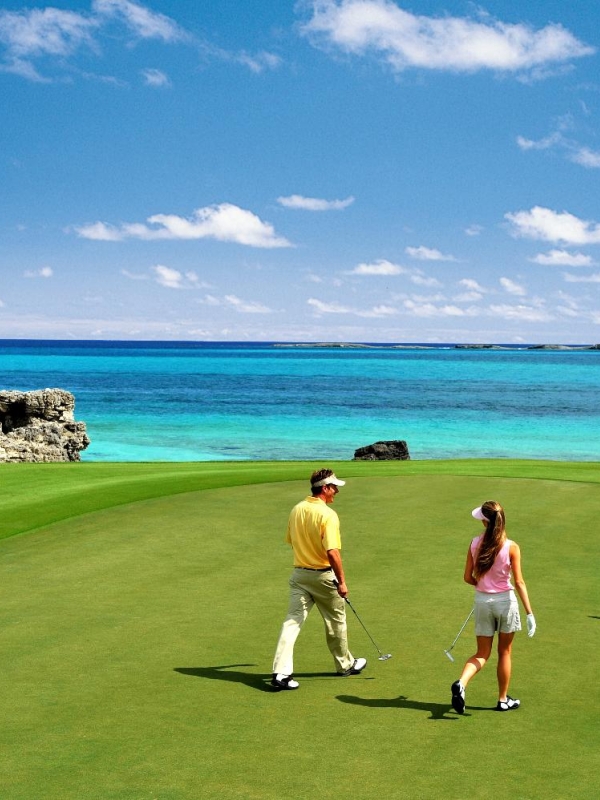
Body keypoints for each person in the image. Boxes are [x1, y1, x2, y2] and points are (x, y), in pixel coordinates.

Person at [271, 468, 366, 690]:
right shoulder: (328, 515)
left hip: (299, 575)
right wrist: (342, 581)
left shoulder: (296, 509)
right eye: (334, 488)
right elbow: (332, 551)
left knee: (291, 623)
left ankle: (280, 673)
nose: (336, 492)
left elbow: (291, 540)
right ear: (325, 488)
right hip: (323, 576)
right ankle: (345, 665)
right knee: (336, 622)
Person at [450, 500, 536, 714]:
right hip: (506, 603)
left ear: (485, 522)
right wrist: (530, 613)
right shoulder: (511, 547)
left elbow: (467, 577)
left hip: (482, 602)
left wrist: (482, 585)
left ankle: (461, 683)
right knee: (504, 652)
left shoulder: (474, 543)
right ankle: (502, 699)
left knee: (482, 653)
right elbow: (519, 583)